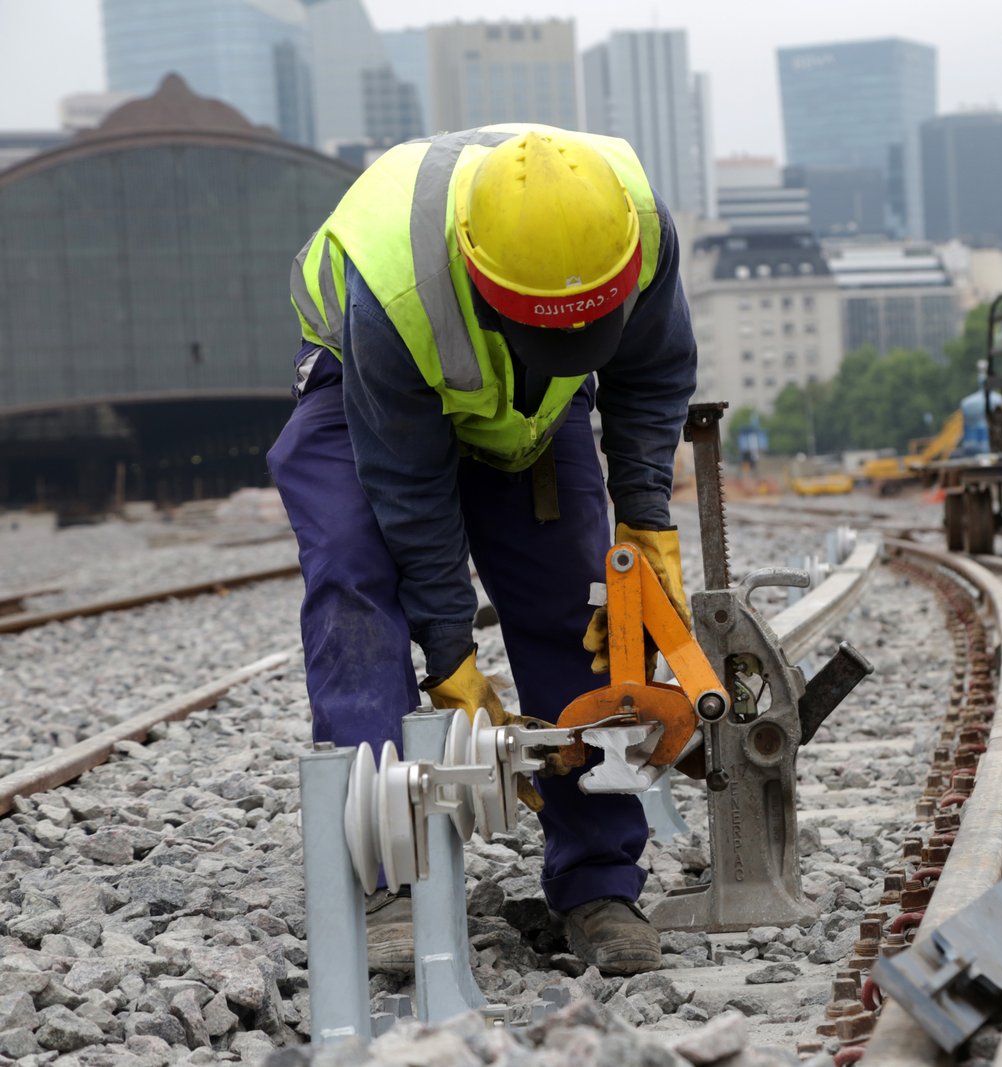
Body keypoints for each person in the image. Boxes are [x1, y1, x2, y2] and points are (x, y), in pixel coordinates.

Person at [267, 124, 697, 976]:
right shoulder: (395, 287)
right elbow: (409, 493)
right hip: (361, 387)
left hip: (529, 408)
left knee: (577, 594)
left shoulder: (634, 224)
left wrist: (645, 519)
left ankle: (599, 882)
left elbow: (651, 374)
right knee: (357, 576)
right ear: (482, 277)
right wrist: (452, 655)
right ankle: (391, 878)